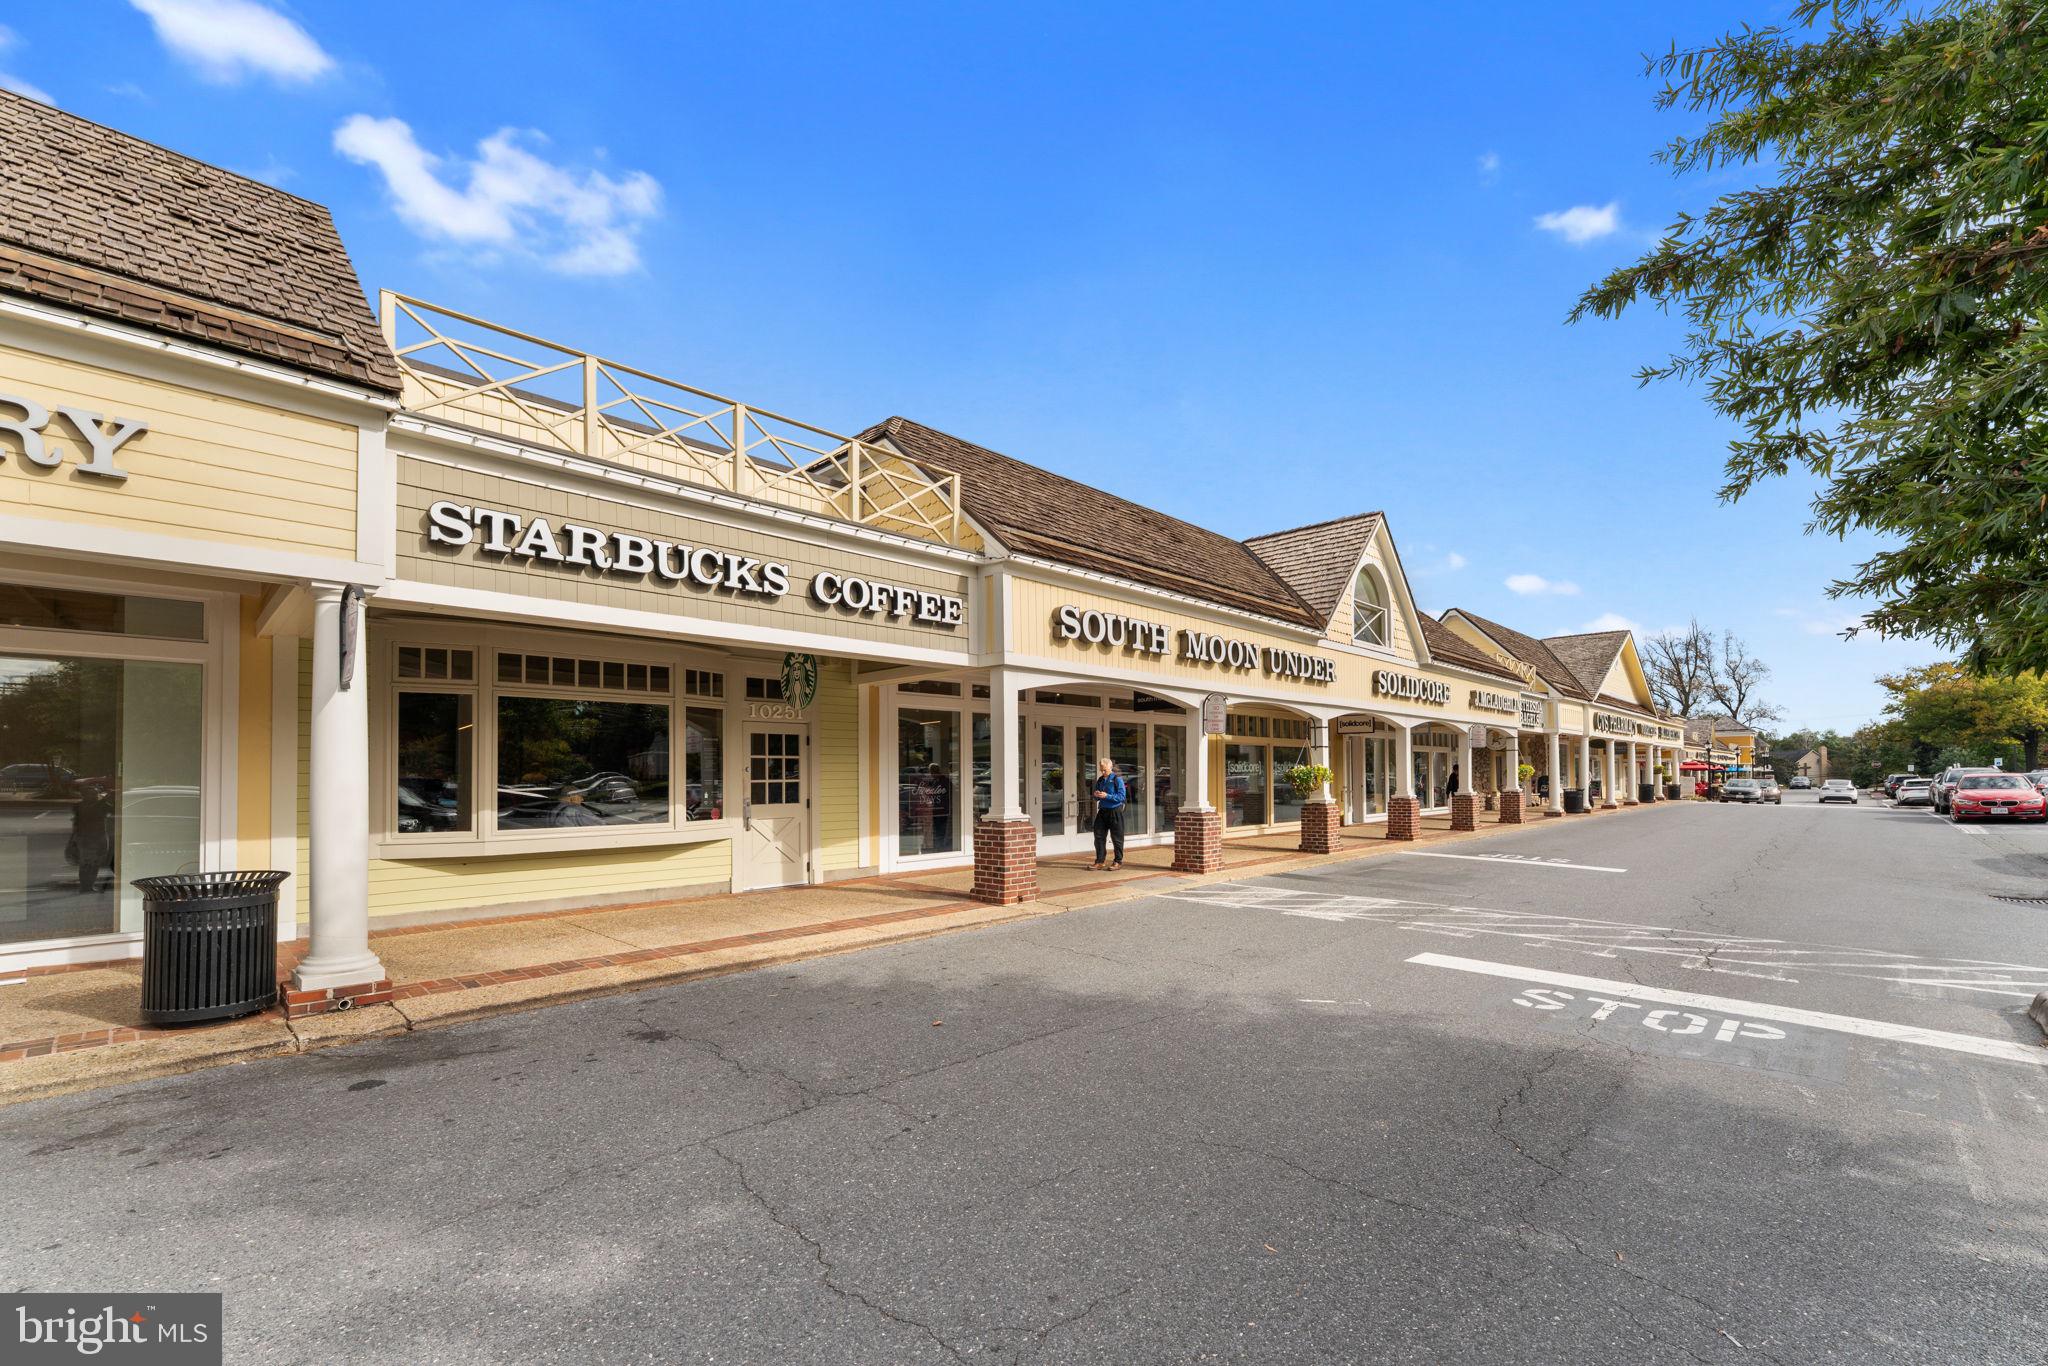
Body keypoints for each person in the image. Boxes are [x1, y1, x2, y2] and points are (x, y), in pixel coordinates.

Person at [1089, 757, 1127, 870]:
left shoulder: (1117, 780)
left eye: (1105, 770)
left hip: (1115, 811)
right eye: (1101, 770)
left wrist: (1107, 796)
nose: (1103, 772)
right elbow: (1096, 798)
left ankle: (1118, 861)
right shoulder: (1100, 780)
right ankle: (1100, 861)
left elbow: (1121, 797)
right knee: (1098, 836)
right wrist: (1096, 795)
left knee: (1117, 838)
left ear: (1110, 767)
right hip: (1102, 811)